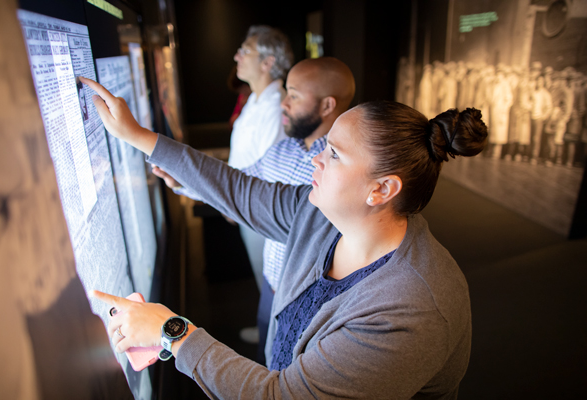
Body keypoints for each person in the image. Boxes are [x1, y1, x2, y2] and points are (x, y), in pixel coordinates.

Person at [82, 75, 488, 399]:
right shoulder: (319, 215)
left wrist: (170, 330)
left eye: (334, 154)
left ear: (381, 190)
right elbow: (239, 191)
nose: (316, 158)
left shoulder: (411, 308)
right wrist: (136, 135)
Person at [152, 57, 356, 364]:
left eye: (295, 96)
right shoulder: (285, 148)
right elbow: (237, 186)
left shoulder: (343, 168)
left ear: (328, 105)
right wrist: (183, 181)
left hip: (308, 302)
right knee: (266, 358)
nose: (284, 104)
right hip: (271, 287)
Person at [228, 25, 293, 300]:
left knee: (272, 280)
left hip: (258, 210)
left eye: (245, 51)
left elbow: (270, 172)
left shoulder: (275, 106)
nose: (236, 56)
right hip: (245, 203)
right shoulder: (256, 99)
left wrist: (233, 200)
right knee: (262, 277)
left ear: (268, 62)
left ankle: (273, 336)